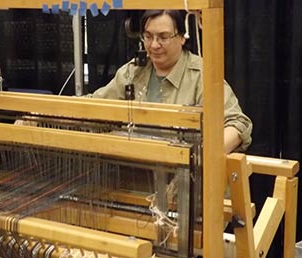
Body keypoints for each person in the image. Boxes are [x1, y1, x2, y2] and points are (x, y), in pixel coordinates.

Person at [90, 10, 252, 153]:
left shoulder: (201, 76)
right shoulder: (132, 72)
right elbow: (93, 106)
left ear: (182, 37)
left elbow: (237, 124)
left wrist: (203, 156)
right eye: (148, 36)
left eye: (163, 37)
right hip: (138, 175)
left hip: (188, 180)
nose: (154, 45)